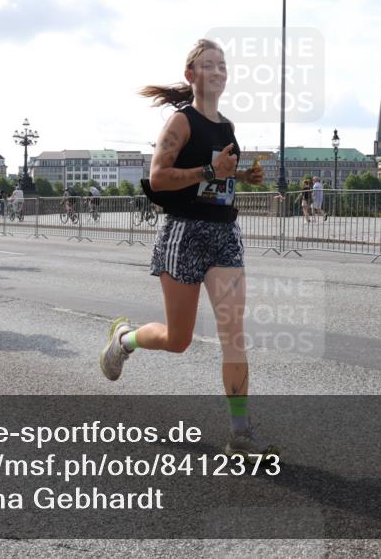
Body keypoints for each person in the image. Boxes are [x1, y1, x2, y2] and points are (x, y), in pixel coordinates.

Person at [100, 38, 278, 461]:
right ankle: (125, 340)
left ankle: (239, 433)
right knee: (179, 340)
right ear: (191, 76)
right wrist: (208, 170)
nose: (217, 71)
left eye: (222, 65)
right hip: (184, 233)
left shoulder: (227, 127)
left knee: (233, 335)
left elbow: (218, 181)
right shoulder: (180, 122)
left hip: (223, 234)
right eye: (208, 65)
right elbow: (159, 179)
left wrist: (241, 179)